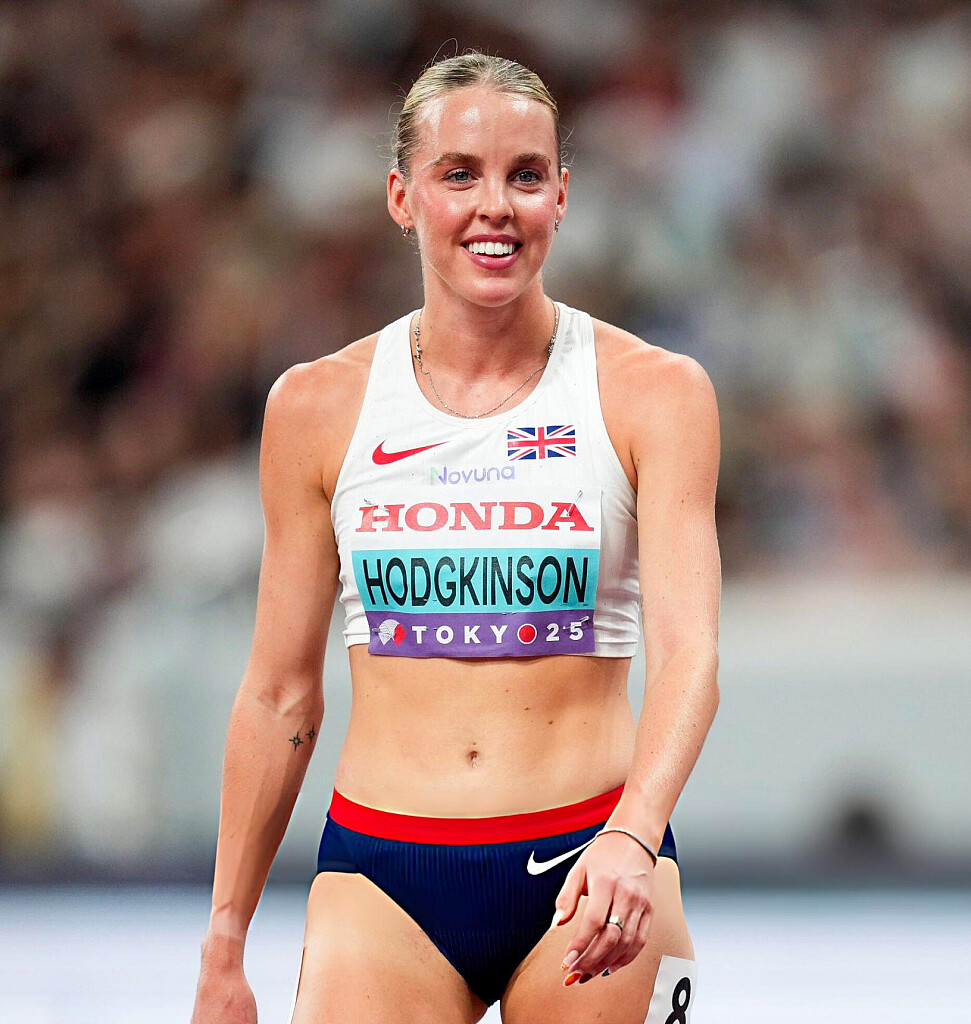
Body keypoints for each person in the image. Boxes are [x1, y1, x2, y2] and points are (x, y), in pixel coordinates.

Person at [190, 50, 721, 1024]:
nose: (494, 207)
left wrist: (635, 834)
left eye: (525, 175)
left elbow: (690, 656)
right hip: (383, 880)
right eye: (458, 175)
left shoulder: (654, 392)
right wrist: (223, 945)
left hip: (593, 860)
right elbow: (278, 693)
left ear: (561, 197)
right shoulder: (316, 406)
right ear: (402, 197)